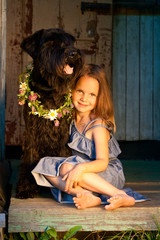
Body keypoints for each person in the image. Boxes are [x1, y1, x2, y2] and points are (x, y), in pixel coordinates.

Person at [32, 64, 135, 210]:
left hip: (106, 173)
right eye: (80, 91)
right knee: (43, 165)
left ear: (100, 97)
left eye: (92, 94)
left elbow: (102, 162)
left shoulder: (97, 125)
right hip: (83, 173)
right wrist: (65, 74)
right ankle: (85, 194)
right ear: (71, 90)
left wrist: (80, 168)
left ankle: (120, 195)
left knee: (67, 168)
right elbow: (57, 87)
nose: (84, 98)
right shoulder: (72, 118)